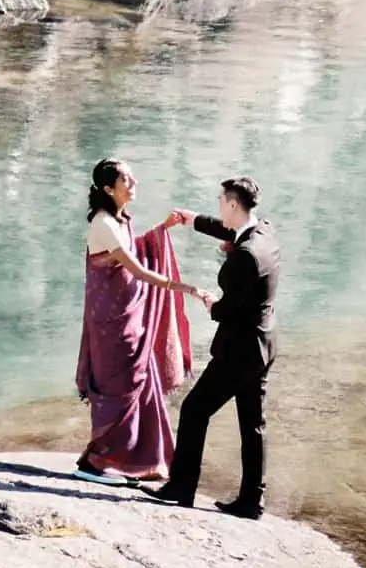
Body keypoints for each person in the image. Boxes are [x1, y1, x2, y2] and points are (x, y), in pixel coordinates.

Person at [147, 175, 278, 519]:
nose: (219, 206)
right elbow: (230, 232)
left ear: (233, 204)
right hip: (263, 343)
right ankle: (252, 500)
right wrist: (193, 220)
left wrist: (209, 304)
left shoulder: (244, 257)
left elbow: (227, 309)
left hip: (238, 350)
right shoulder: (263, 232)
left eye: (221, 202)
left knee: (194, 410)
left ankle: (181, 488)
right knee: (253, 424)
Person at [76, 157, 205, 483]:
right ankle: (96, 463)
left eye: (133, 179)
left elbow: (134, 251)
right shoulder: (103, 224)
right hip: (111, 324)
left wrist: (161, 230)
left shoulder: (120, 219)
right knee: (119, 389)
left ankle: (133, 461)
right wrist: (187, 288)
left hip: (129, 318)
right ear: (109, 189)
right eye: (127, 181)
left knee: (140, 384)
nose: (134, 185)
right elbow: (138, 271)